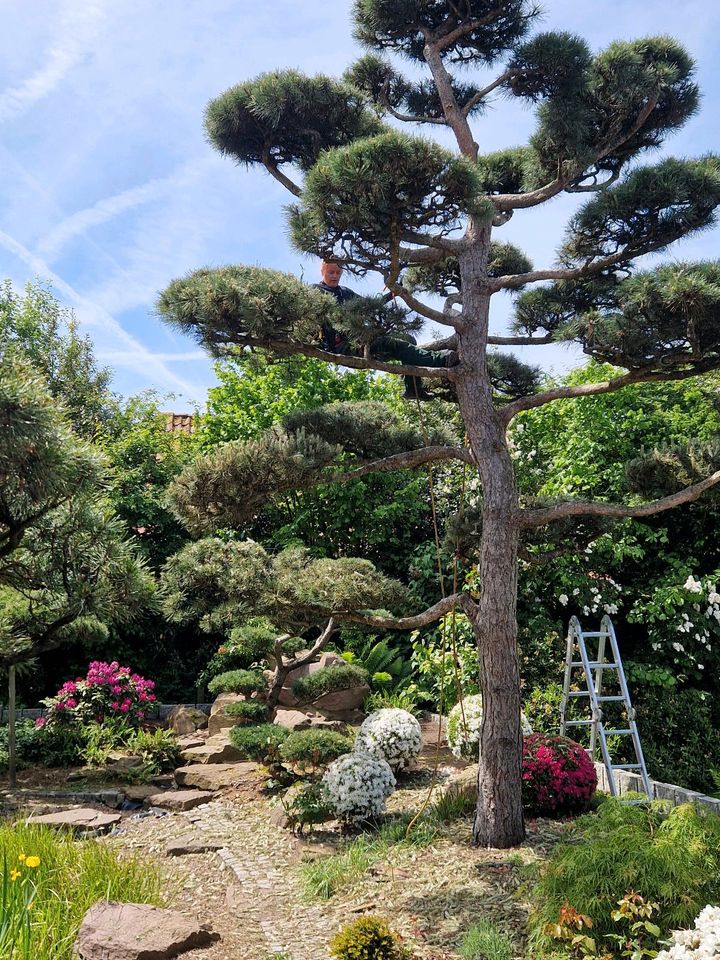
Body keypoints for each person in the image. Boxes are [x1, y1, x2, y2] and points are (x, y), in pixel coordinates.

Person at [313, 260, 457, 400]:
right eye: (331, 272)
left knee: (409, 339)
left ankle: (413, 388)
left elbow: (369, 306)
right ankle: (442, 359)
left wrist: (391, 294)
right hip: (345, 347)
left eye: (338, 272)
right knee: (398, 346)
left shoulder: (345, 292)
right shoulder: (316, 292)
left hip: (363, 338)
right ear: (322, 272)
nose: (335, 275)